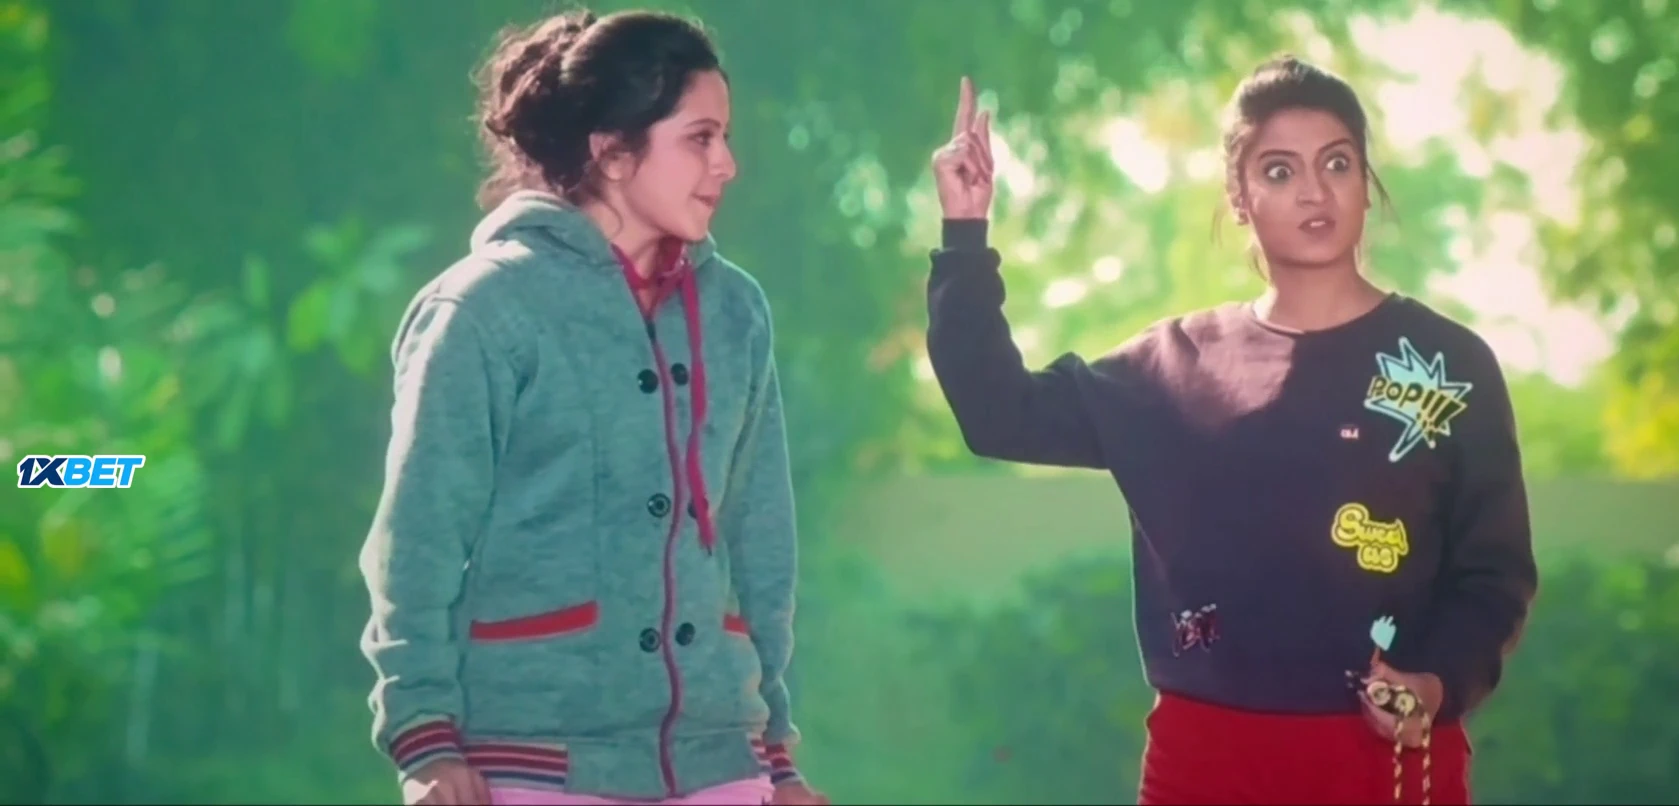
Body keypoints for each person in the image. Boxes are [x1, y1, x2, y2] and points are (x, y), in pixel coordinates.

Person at [924, 59, 1538, 805]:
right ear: (1239, 198)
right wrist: (965, 234)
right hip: (1206, 764)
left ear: (1366, 183)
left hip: (1390, 760)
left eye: (1336, 163)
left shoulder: (1449, 364)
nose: (1314, 192)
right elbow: (998, 414)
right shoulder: (1172, 367)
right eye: (1279, 171)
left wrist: (1434, 684)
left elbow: (1494, 576)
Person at [357, 9, 826, 806]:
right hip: (534, 757)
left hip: (720, 758)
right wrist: (424, 737)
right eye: (700, 138)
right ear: (611, 151)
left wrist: (776, 757)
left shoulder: (734, 311)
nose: (727, 164)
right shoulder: (484, 309)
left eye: (724, 137)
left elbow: (761, 542)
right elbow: (418, 541)